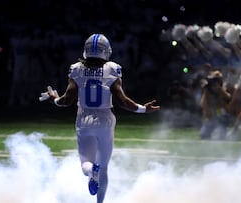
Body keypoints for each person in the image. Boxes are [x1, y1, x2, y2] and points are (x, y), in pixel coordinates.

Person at [40, 34, 160, 203]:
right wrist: (142, 109)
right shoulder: (112, 68)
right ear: (106, 51)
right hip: (105, 120)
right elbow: (123, 101)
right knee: (103, 169)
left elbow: (66, 101)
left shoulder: (76, 68)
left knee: (85, 165)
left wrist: (54, 98)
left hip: (84, 119)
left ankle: (91, 171)